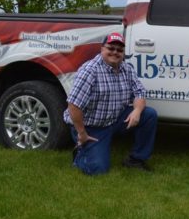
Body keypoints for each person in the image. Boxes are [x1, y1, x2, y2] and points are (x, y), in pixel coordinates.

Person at [63, 32, 157, 174]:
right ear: (102, 49)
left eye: (119, 50)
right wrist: (81, 132)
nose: (115, 52)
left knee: (149, 114)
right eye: (111, 48)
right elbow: (73, 105)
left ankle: (136, 159)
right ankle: (80, 152)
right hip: (91, 126)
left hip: (114, 120)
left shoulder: (126, 68)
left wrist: (137, 111)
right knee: (98, 169)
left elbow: (140, 93)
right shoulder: (90, 71)